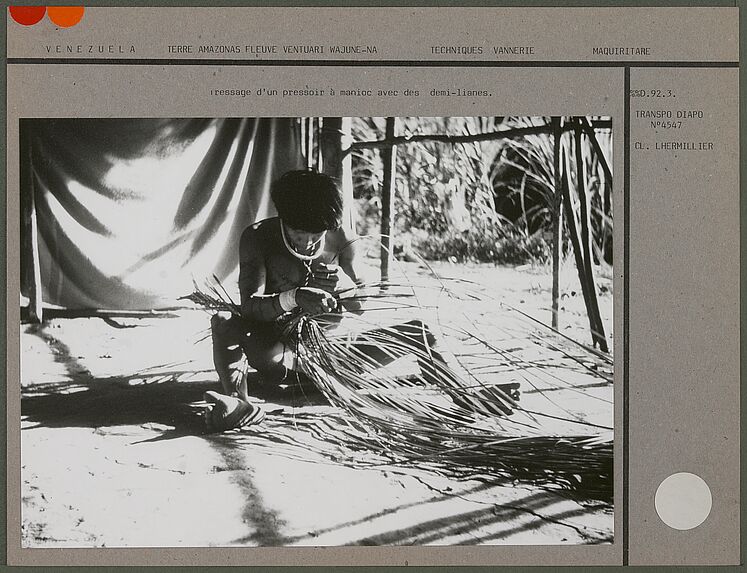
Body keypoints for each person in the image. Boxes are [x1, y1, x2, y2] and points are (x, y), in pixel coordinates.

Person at [204, 169, 512, 432]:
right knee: (222, 321)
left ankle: (465, 394)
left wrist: (346, 289)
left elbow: (361, 304)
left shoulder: (342, 240)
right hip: (277, 356)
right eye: (299, 233)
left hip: (334, 358)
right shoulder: (258, 237)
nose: (309, 241)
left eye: (317, 233)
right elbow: (250, 306)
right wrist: (294, 297)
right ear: (282, 217)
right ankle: (241, 404)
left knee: (420, 331)